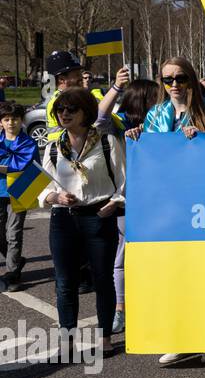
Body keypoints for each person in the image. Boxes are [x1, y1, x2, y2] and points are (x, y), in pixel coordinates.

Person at [37, 87, 125, 356]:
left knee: (102, 280)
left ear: (86, 112)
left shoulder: (107, 142)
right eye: (60, 109)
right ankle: (68, 341)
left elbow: (124, 181)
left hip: (99, 217)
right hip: (63, 220)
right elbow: (43, 188)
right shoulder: (53, 148)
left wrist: (115, 203)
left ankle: (105, 338)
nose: (64, 114)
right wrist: (55, 197)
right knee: (65, 283)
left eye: (70, 109)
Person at [97, 72, 161, 333]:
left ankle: (155, 305)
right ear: (143, 100)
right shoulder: (120, 125)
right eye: (156, 97)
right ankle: (120, 309)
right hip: (129, 201)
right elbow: (98, 119)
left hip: (160, 200)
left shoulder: (163, 124)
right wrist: (115, 87)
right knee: (122, 258)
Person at [137, 58, 205, 138]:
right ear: (162, 82)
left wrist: (203, 136)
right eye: (168, 80)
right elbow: (149, 149)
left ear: (190, 79)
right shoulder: (154, 114)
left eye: (180, 79)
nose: (174, 85)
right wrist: (135, 135)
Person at [0, 101, 36, 292]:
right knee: (1, 235)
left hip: (19, 192)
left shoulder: (28, 143)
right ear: (1, 123)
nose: (11, 123)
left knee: (13, 234)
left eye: (14, 119)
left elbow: (22, 165)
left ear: (21, 121)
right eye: (6, 119)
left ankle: (12, 274)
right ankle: (16, 260)